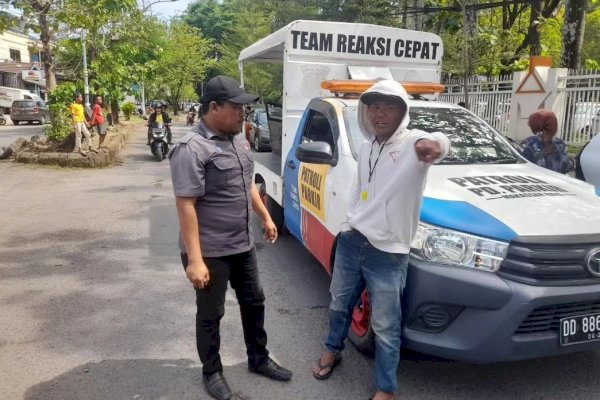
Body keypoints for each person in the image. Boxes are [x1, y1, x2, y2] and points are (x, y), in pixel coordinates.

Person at [312, 80, 450, 400]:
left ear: (403, 111)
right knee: (338, 305)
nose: (379, 113)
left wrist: (438, 146)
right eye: (374, 106)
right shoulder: (366, 145)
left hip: (388, 253)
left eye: (389, 106)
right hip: (352, 241)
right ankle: (332, 350)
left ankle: (386, 388)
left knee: (386, 326)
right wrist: (348, 223)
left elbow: (439, 141)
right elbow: (360, 191)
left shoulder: (414, 143)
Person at [168, 75, 292, 400]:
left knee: (254, 302)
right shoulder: (191, 148)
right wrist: (195, 260)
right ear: (214, 107)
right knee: (211, 314)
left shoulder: (238, 138)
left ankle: (259, 359)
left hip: (242, 243)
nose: (243, 114)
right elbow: (186, 205)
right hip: (209, 251)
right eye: (237, 108)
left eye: (245, 109)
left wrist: (264, 216)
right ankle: (212, 372)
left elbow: (247, 181)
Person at [521, 109, 571, 173]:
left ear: (535, 124)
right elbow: (567, 166)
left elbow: (522, 167)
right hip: (557, 181)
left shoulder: (529, 143)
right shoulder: (560, 143)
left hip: (538, 180)